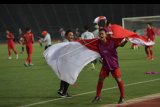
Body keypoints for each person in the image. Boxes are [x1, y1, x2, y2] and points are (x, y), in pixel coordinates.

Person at [92, 28, 128, 104]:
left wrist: (126, 40)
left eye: (102, 34)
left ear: (106, 35)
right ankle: (98, 96)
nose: (101, 35)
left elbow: (121, 45)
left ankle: (122, 97)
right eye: (100, 34)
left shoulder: (112, 42)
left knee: (118, 80)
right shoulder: (98, 43)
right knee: (100, 79)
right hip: (105, 65)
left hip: (114, 65)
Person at [57, 30, 74, 98]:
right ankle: (64, 93)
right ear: (66, 36)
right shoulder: (66, 43)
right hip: (66, 62)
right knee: (68, 77)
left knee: (65, 77)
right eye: (70, 35)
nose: (72, 36)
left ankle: (61, 90)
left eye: (72, 35)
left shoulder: (66, 42)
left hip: (64, 62)